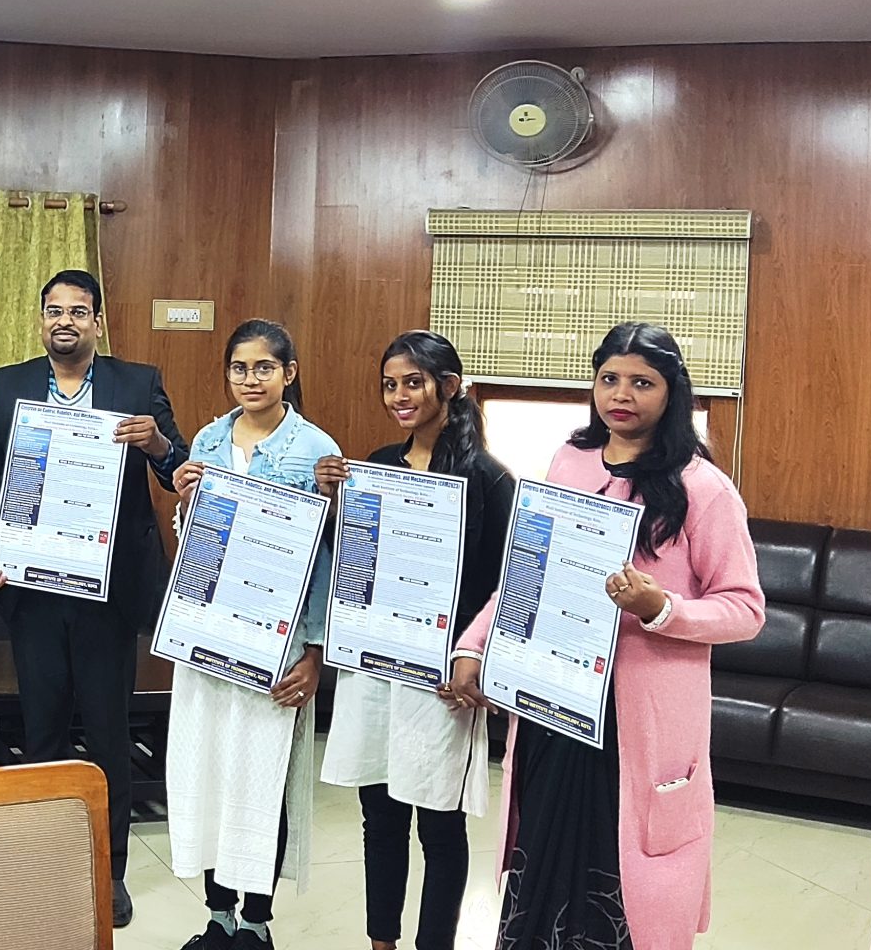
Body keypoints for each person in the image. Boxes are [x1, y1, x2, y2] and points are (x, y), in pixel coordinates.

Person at [444, 322, 765, 950]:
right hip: (555, 702)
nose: (622, 394)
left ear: (672, 392)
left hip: (636, 724)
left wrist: (660, 608)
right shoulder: (571, 458)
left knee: (625, 890)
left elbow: (745, 609)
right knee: (540, 868)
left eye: (643, 383)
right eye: (609, 378)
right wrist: (474, 644)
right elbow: (529, 569)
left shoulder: (703, 487)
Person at [0, 269, 187, 928]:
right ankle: (44, 862)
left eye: (78, 311)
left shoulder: (136, 383)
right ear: (42, 320)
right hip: (32, 589)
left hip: (107, 593)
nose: (65, 321)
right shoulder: (8, 385)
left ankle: (108, 870)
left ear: (97, 322)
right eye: (54, 310)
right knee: (41, 733)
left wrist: (156, 443)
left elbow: (177, 471)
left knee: (107, 734)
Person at [312, 330, 514, 950]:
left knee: (440, 825)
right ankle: (382, 942)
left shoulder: (489, 478)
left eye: (412, 383)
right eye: (389, 385)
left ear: (448, 387)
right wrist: (333, 504)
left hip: (442, 675)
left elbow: (503, 588)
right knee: (380, 818)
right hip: (376, 665)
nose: (398, 396)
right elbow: (353, 563)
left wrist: (473, 661)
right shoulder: (376, 465)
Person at [164, 319, 338, 950]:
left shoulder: (315, 447)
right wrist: (184, 504)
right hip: (209, 635)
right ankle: (218, 915)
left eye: (265, 367)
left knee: (263, 780)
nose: (251, 379)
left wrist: (315, 653)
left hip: (279, 643)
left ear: (289, 373)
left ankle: (257, 921)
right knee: (210, 771)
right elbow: (196, 543)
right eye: (239, 368)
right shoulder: (208, 440)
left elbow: (329, 559)